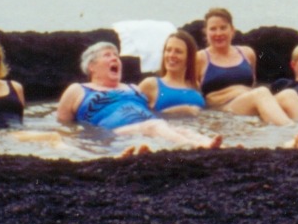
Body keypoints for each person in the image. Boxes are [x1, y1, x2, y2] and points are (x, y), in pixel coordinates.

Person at [57, 41, 222, 151]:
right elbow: (63, 126)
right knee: (154, 127)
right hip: (114, 133)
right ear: (91, 66)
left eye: (116, 56)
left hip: (148, 125)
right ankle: (194, 148)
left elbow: (155, 111)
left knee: (180, 129)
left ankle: (220, 147)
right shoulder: (77, 90)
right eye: (108, 55)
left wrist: (181, 109)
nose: (115, 58)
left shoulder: (133, 88)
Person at [195, 7, 298, 126]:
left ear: (232, 30)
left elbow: (252, 84)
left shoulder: (247, 53)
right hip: (224, 108)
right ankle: (292, 128)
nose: (218, 33)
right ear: (206, 32)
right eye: (213, 29)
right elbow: (188, 88)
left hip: (251, 102)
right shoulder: (200, 58)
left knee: (289, 94)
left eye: (223, 28)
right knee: (261, 92)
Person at [137, 30, 206, 116]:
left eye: (178, 51)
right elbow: (131, 113)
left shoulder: (195, 85)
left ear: (189, 58)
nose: (171, 55)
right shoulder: (150, 84)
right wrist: (177, 111)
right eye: (168, 50)